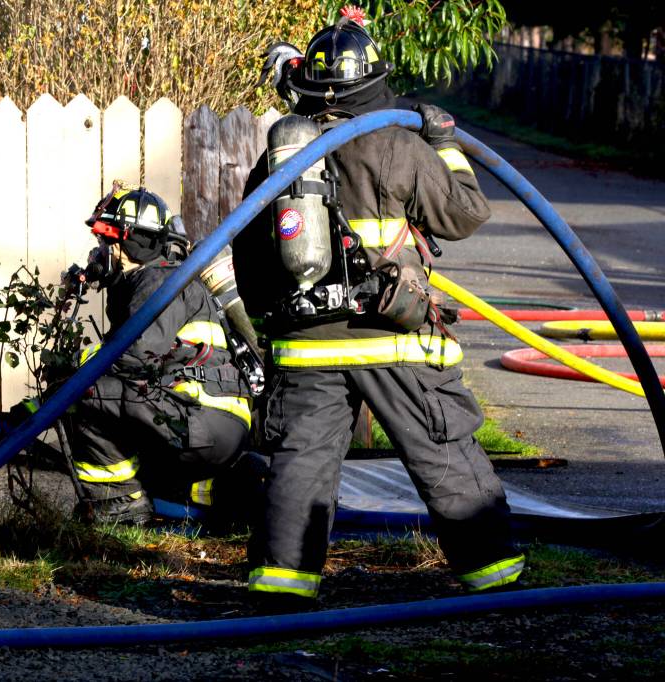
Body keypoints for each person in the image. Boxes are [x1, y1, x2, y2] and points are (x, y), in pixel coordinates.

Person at [232, 12, 524, 605]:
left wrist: (277, 320)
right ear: (375, 83)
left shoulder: (281, 160)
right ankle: (495, 579)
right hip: (392, 337)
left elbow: (248, 255)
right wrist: (445, 144)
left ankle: (280, 588)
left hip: (305, 343)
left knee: (300, 465)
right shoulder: (398, 144)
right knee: (443, 451)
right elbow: (464, 214)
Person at [50, 183, 259, 526]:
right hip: (208, 422)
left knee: (82, 393)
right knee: (112, 407)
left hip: (199, 417)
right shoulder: (150, 281)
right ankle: (213, 492)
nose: (101, 251)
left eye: (108, 242)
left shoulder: (158, 281)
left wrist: (74, 363)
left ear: (131, 241)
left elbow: (134, 359)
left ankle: (119, 504)